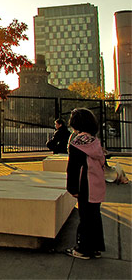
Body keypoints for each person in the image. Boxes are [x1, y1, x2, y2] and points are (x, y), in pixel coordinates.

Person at [65, 108, 106, 260]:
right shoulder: (95, 142)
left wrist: (72, 188)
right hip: (97, 185)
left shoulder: (77, 143)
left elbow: (73, 167)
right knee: (94, 216)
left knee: (85, 218)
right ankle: (95, 247)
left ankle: (83, 249)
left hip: (85, 185)